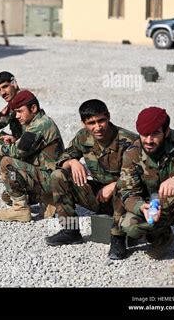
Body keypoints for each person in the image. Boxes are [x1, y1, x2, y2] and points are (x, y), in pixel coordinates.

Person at [44, 100, 138, 260]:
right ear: (84, 123)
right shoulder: (83, 137)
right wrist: (72, 162)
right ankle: (71, 230)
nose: (97, 127)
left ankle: (118, 239)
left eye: (101, 120)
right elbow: (62, 159)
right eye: (91, 123)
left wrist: (115, 185)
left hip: (127, 199)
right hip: (99, 196)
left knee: (123, 187)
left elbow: (142, 176)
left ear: (108, 117)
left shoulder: (129, 141)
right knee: (58, 175)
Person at [119, 107, 174, 276]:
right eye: (144, 134)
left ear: (166, 132)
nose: (149, 140)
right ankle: (162, 238)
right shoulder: (132, 153)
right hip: (154, 205)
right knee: (128, 225)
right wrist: (141, 207)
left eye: (155, 134)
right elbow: (127, 192)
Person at [0, 90, 64, 222]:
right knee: (7, 196)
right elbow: (29, 148)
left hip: (51, 179)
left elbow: (16, 152)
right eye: (16, 112)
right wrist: (15, 140)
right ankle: (49, 200)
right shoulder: (38, 122)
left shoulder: (41, 125)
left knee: (7, 163)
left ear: (33, 108)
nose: (17, 116)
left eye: (20, 111)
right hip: (47, 175)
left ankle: (21, 209)